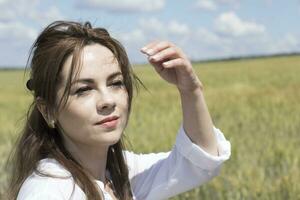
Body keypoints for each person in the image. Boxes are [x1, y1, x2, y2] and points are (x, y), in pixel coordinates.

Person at [6, 20, 231, 200]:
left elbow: (199, 162)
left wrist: (190, 90)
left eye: (115, 83)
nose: (107, 101)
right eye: (83, 89)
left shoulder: (119, 172)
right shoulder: (49, 191)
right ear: (48, 111)